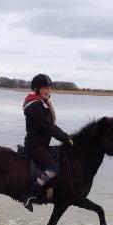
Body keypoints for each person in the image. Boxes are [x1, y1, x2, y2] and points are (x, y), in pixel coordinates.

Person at [20, 74, 73, 211]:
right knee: (52, 169)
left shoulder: (43, 104)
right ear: (37, 89)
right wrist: (66, 138)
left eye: (49, 88)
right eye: (45, 88)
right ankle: (29, 195)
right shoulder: (34, 106)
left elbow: (51, 127)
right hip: (35, 146)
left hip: (43, 145)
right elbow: (48, 127)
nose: (48, 91)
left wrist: (67, 137)